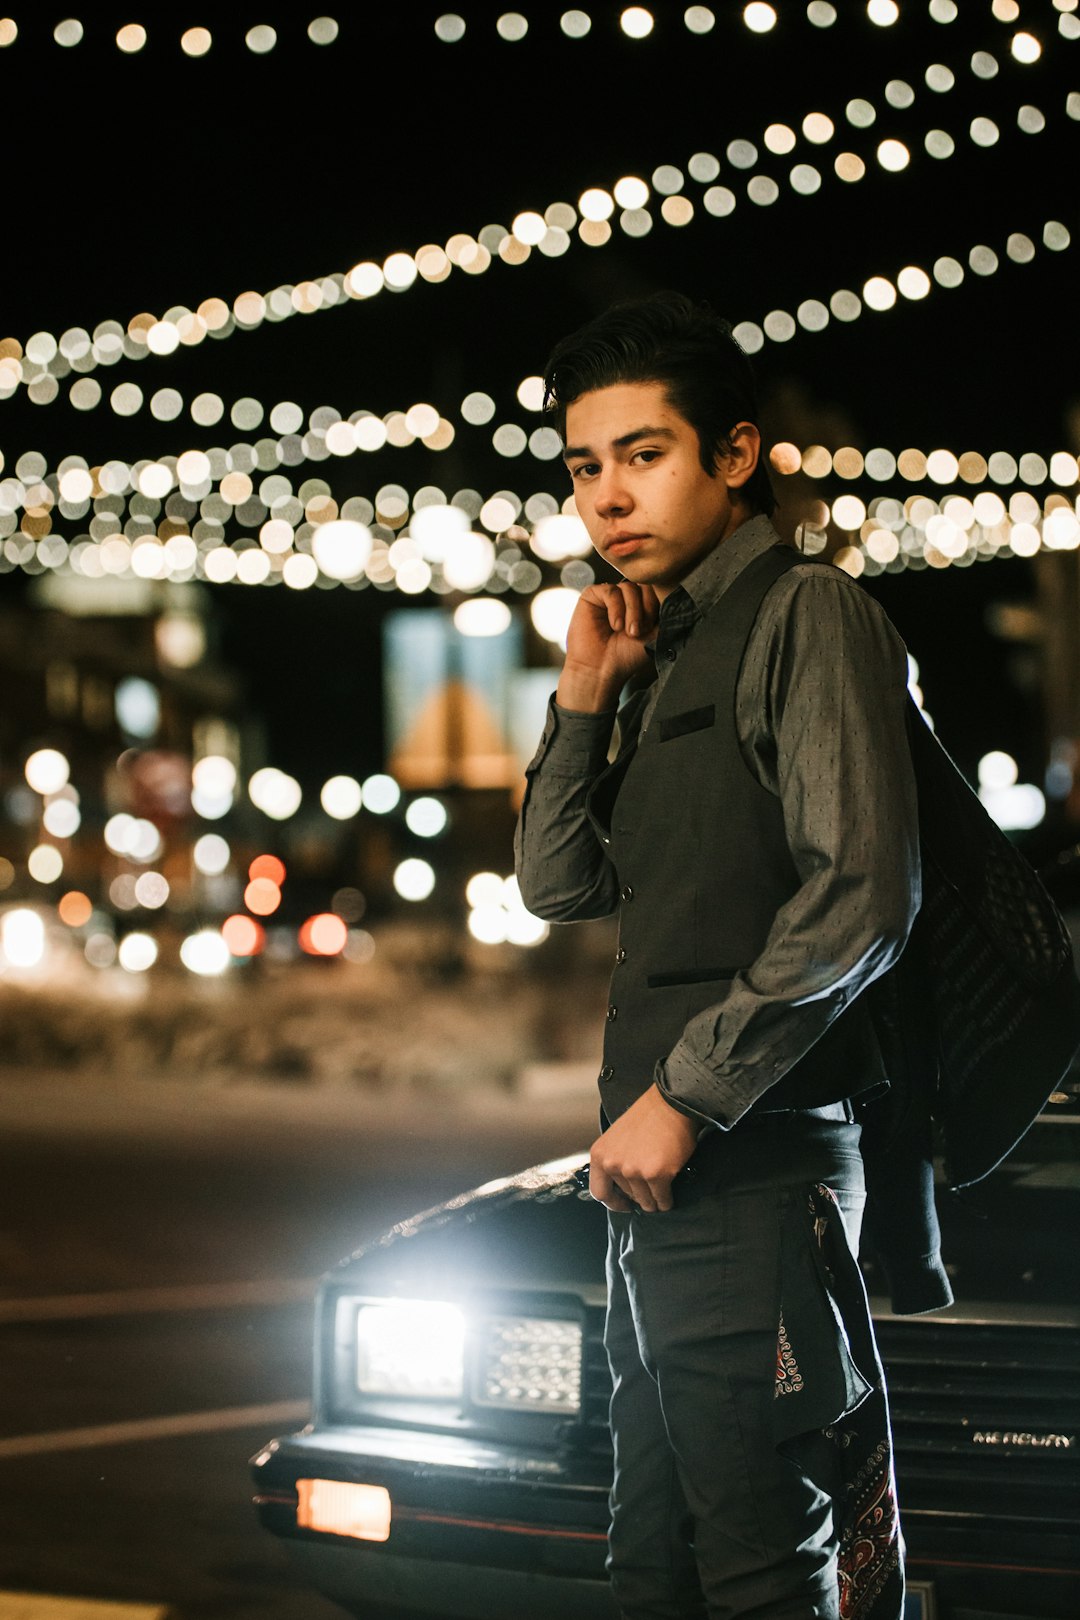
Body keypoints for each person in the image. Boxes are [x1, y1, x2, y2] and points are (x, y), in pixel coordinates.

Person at [514, 291, 921, 1619]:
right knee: (656, 1557)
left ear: (734, 455)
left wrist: (688, 1095)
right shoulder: (665, 644)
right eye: (585, 466)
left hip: (756, 1160)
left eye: (645, 454)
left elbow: (862, 891)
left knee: (756, 1556)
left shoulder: (808, 615)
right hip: (660, 1173)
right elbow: (558, 882)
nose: (608, 496)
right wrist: (585, 701)